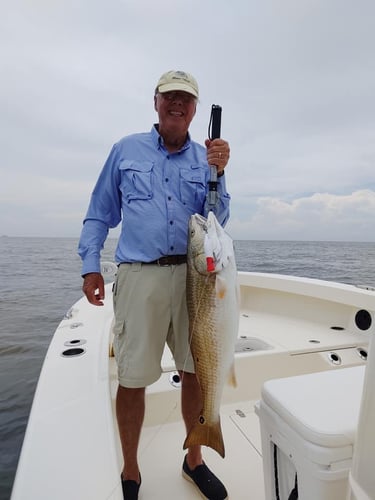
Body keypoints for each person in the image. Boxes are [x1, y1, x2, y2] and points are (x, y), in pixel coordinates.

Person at [78, 70, 231, 500]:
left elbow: (220, 219)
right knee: (132, 378)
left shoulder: (206, 157)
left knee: (196, 370)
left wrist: (219, 172)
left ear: (196, 109)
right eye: (170, 97)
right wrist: (90, 265)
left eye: (186, 98)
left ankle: (194, 459)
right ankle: (131, 471)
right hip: (139, 276)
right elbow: (98, 212)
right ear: (156, 102)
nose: (177, 104)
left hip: (193, 278)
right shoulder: (125, 150)